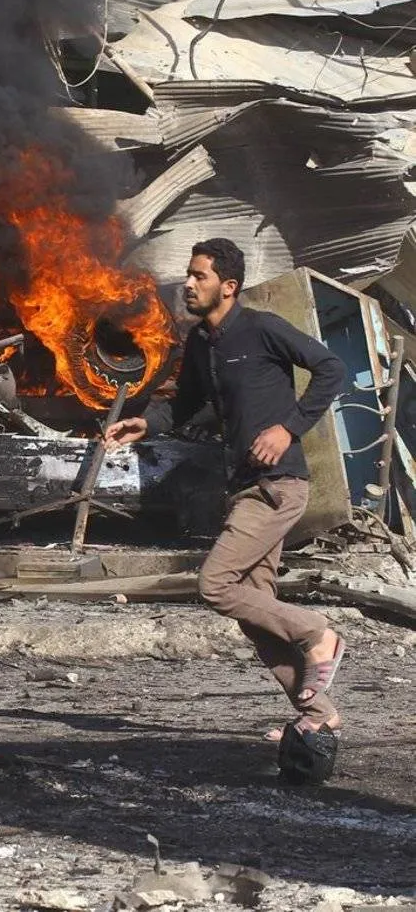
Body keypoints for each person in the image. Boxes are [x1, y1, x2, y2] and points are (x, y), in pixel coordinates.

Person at [104, 237, 349, 744]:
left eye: (200, 276)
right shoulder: (200, 342)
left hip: (278, 487)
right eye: (189, 275)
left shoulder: (262, 329)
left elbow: (331, 368)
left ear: (228, 287)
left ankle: (317, 633)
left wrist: (289, 428)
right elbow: (188, 405)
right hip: (243, 488)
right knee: (255, 612)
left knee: (215, 585)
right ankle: (318, 711)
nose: (188, 284)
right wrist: (145, 424)